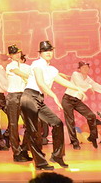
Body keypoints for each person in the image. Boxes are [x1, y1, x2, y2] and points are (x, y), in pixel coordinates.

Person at [20, 41, 82, 171]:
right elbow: (40, 83)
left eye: (50, 50)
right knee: (33, 131)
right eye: (45, 51)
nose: (48, 53)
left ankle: (57, 156)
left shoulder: (52, 69)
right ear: (40, 53)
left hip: (38, 99)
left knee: (57, 123)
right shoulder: (37, 64)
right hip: (29, 97)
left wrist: (78, 88)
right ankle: (40, 163)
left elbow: (63, 81)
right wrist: (54, 96)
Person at [62, 61, 101, 150]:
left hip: (77, 101)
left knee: (91, 115)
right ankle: (75, 142)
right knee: (70, 121)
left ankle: (93, 137)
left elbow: (97, 86)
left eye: (87, 67)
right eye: (83, 67)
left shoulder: (88, 79)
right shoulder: (75, 74)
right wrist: (90, 87)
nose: (85, 69)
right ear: (79, 69)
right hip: (67, 99)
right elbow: (80, 83)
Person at [5, 45, 33, 162]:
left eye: (18, 53)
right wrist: (30, 77)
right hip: (13, 97)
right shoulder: (10, 66)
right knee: (13, 125)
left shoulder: (25, 66)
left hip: (24, 96)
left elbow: (37, 72)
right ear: (10, 56)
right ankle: (16, 153)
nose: (17, 55)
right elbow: (18, 72)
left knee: (30, 124)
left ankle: (24, 150)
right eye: (14, 53)